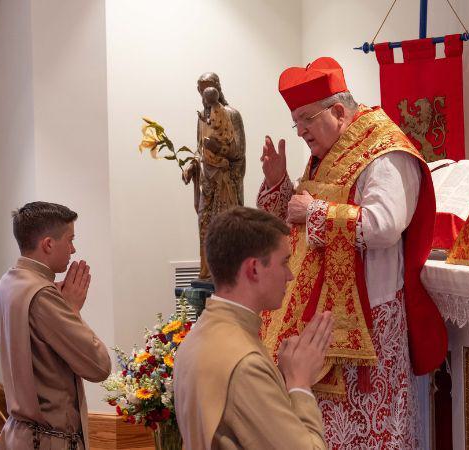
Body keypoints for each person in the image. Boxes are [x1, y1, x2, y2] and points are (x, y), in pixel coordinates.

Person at [257, 56, 447, 448]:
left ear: (338, 111)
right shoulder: (331, 150)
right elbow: (299, 222)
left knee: (371, 427)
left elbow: (385, 224)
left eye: (306, 119)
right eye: (296, 122)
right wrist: (278, 186)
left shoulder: (385, 151)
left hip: (370, 318)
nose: (301, 132)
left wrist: (314, 211)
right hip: (323, 315)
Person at [174, 206, 332, 449]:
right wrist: (299, 383)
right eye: (284, 262)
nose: (289, 275)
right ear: (254, 269)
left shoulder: (201, 332)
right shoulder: (246, 364)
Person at [0, 201, 111, 450]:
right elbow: (99, 366)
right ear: (48, 244)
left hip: (20, 434)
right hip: (48, 440)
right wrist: (71, 310)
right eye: (70, 240)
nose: (73, 249)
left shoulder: (10, 280)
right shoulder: (42, 294)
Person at [182, 72, 246, 280]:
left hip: (225, 182)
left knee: (226, 226)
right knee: (205, 224)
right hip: (207, 183)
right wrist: (192, 167)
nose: (206, 93)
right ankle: (208, 270)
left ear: (218, 88)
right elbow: (200, 151)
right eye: (202, 89)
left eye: (210, 88)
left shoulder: (232, 114)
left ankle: (229, 273)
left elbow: (239, 151)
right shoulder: (202, 117)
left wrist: (219, 147)